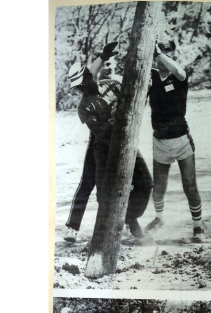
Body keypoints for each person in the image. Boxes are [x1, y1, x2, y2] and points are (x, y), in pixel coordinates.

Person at [64, 42, 152, 242]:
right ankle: (78, 228)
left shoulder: (113, 84)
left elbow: (136, 100)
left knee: (145, 183)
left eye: (84, 81)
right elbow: (101, 132)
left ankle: (130, 218)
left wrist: (103, 56)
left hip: (125, 140)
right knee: (93, 185)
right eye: (78, 87)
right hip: (101, 143)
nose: (83, 87)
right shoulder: (84, 107)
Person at [145, 40, 205, 242]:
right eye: (162, 53)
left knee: (190, 185)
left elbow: (178, 70)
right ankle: (159, 219)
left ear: (173, 55)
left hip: (180, 139)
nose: (164, 57)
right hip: (160, 140)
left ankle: (198, 227)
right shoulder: (151, 76)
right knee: (159, 187)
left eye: (168, 53)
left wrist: (159, 54)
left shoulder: (179, 76)